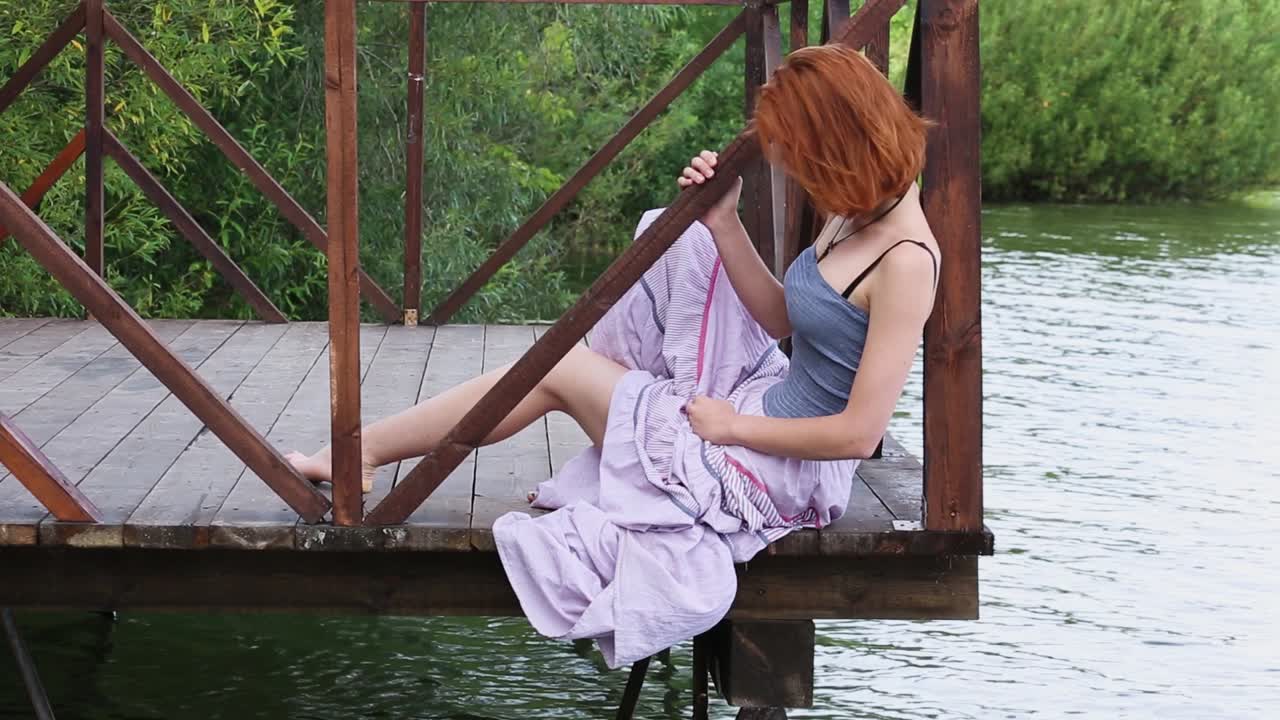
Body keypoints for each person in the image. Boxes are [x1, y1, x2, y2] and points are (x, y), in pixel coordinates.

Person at [287, 44, 938, 666]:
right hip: (754, 413)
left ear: (836, 144)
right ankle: (366, 450)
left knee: (561, 370)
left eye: (797, 157)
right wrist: (723, 223)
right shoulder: (852, 207)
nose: (792, 171)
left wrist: (730, 427)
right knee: (671, 239)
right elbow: (778, 316)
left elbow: (859, 435)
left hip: (780, 468)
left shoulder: (906, 261)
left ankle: (363, 450)